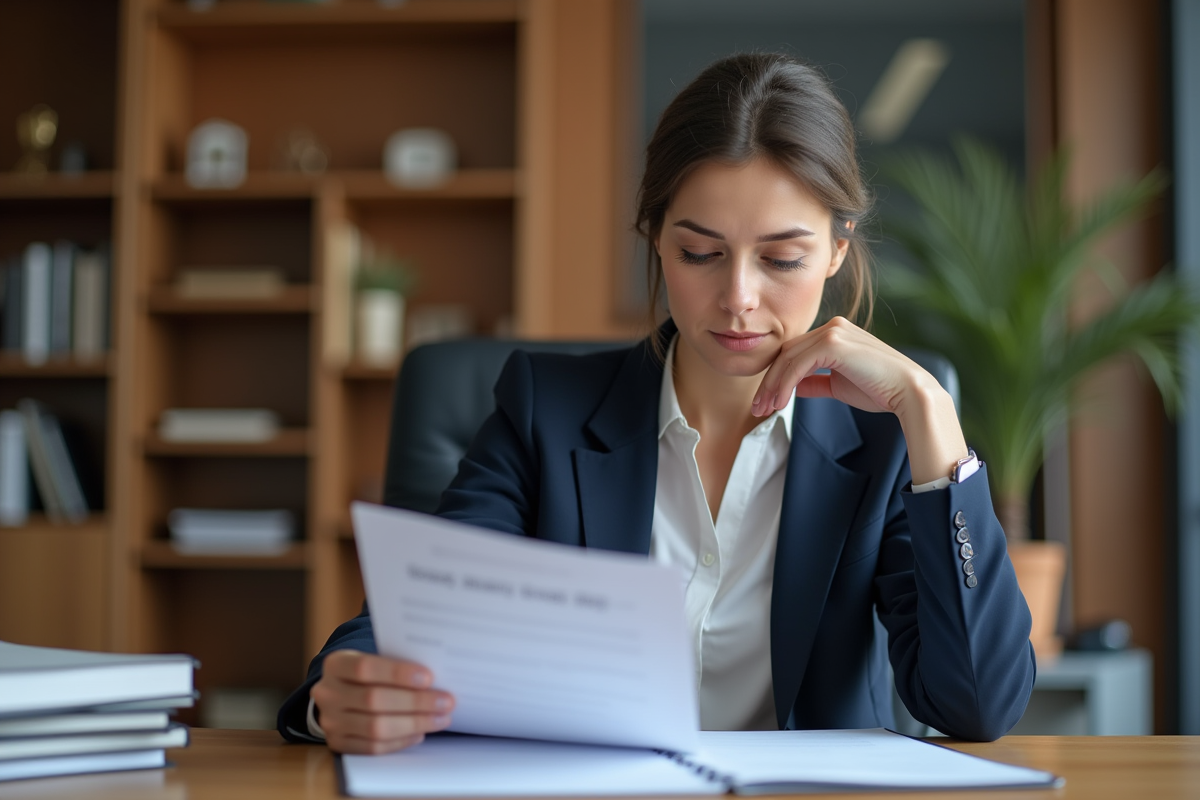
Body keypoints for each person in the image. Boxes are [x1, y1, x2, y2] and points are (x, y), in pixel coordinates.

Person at [277, 52, 1035, 754]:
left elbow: (976, 704)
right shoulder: (548, 409)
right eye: (699, 252)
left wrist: (932, 417)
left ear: (837, 249)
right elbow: (420, 613)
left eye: (781, 258)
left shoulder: (886, 439)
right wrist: (337, 693)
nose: (738, 298)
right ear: (657, 240)